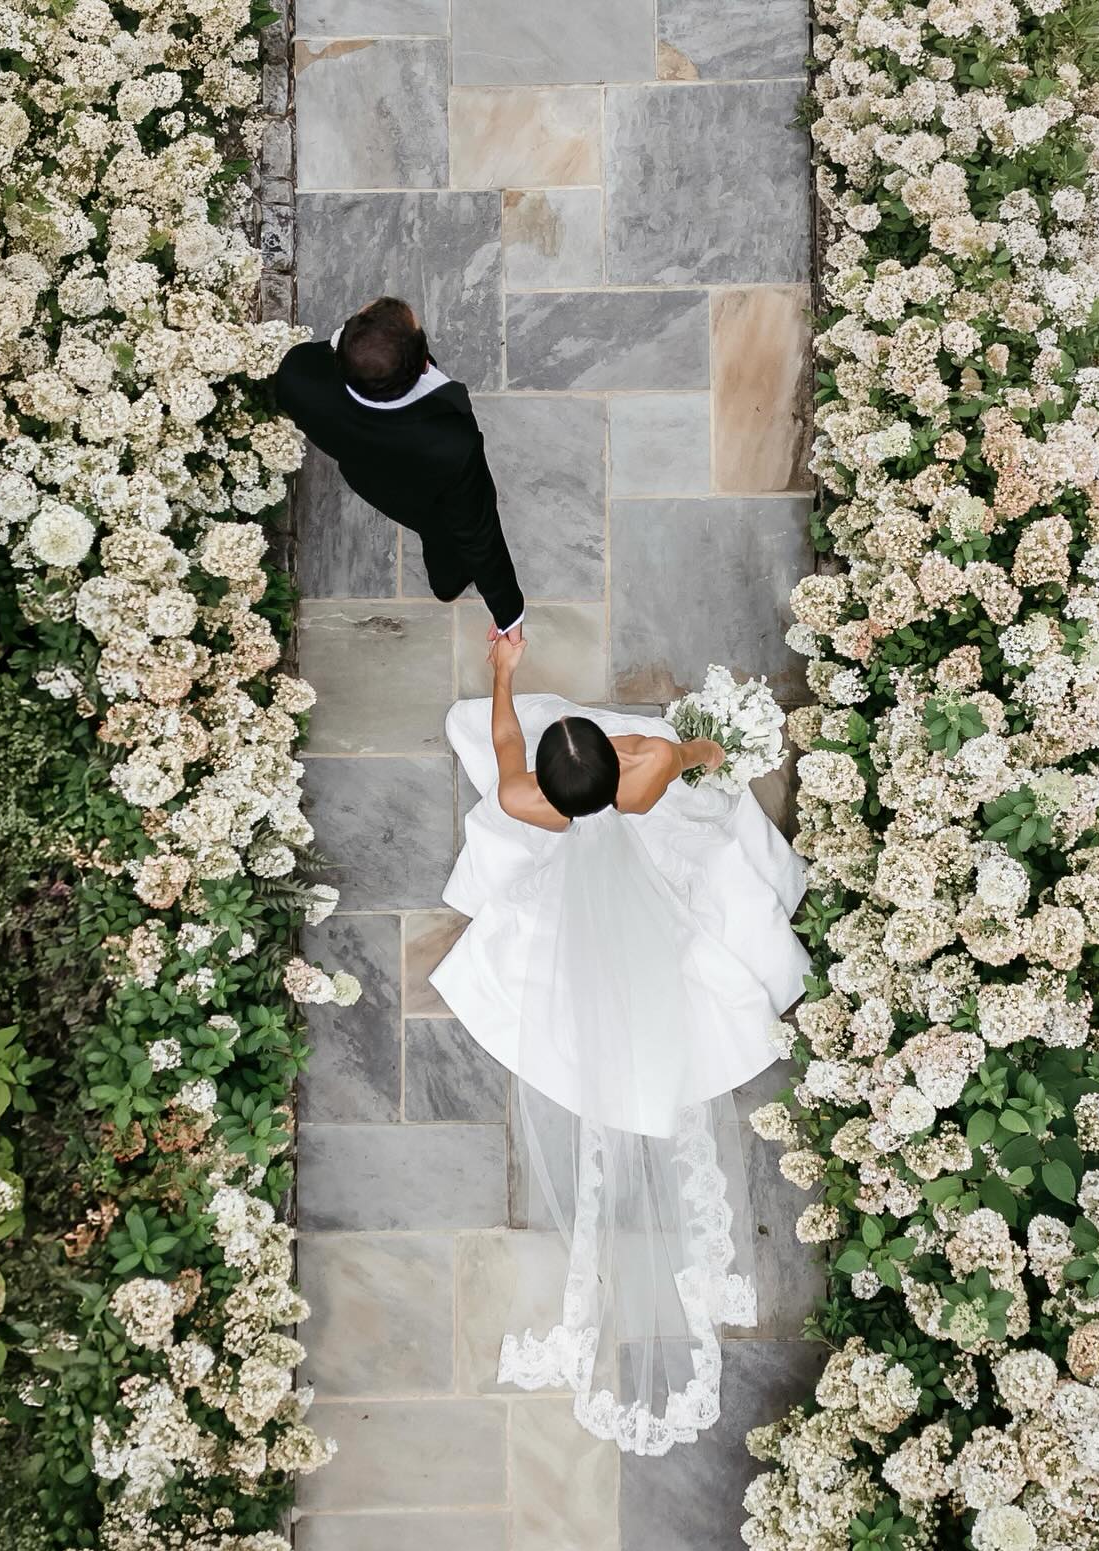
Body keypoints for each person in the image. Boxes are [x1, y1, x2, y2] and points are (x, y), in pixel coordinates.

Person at [429, 636, 810, 1456]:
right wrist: (706, 746)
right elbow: (700, 755)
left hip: (577, 882)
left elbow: (503, 748)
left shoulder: (531, 802)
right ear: (613, 757)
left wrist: (503, 673)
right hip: (645, 863)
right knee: (704, 887)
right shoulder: (648, 773)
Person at [274, 296, 524, 644]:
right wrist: (509, 612)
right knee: (442, 531)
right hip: (424, 497)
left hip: (369, 478)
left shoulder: (296, 374)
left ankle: (446, 578)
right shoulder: (452, 444)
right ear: (424, 365)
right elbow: (480, 532)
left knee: (432, 527)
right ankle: (447, 582)